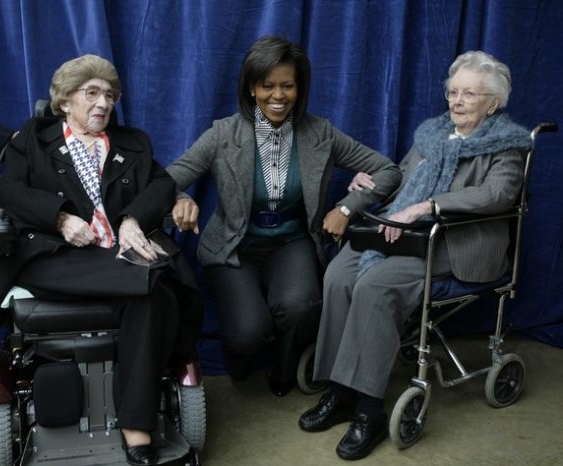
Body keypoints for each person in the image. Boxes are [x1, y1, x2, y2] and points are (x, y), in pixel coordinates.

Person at [298, 50, 533, 460]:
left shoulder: (507, 145)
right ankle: (340, 391)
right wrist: (366, 182)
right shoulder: (432, 135)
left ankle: (369, 410)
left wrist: (427, 206)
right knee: (339, 273)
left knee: (375, 285)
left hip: (454, 243)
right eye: (453, 92)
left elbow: (498, 194)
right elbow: (399, 179)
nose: (457, 102)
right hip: (403, 233)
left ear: (492, 103)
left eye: (470, 94)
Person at [0, 54, 202, 466]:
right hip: (57, 258)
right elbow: (10, 190)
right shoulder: (33, 139)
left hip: (119, 260)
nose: (103, 103)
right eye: (91, 94)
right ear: (65, 100)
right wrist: (60, 217)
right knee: (154, 280)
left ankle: (134, 423)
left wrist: (132, 220)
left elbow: (162, 185)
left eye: (109, 95)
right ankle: (137, 427)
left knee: (153, 296)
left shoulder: (133, 143)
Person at [167, 35, 402, 397]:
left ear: (299, 88)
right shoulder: (223, 134)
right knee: (247, 332)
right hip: (235, 247)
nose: (278, 96)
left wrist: (346, 208)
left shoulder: (320, 133)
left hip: (291, 242)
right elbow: (165, 181)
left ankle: (285, 366)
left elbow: (387, 170)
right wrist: (181, 199)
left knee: (300, 308)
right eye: (268, 86)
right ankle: (240, 355)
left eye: (288, 86)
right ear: (250, 88)